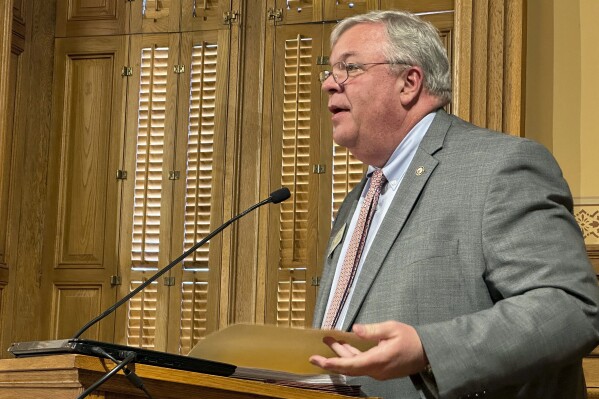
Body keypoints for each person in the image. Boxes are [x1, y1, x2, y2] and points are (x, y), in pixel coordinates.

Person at [308, 10, 599, 399]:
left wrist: (429, 350)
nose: (329, 84)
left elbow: (569, 308)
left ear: (408, 82)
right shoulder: (357, 200)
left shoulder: (500, 167)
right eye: (329, 71)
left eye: (349, 68)